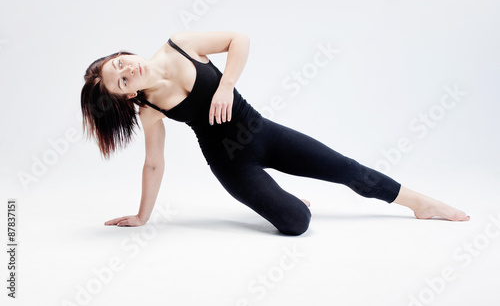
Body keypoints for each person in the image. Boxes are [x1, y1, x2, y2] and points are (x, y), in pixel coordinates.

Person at [80, 31, 470, 235]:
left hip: (263, 132)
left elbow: (239, 38)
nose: (127, 70)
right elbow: (153, 164)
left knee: (349, 170)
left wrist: (226, 84)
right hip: (231, 164)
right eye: (120, 80)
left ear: (123, 53)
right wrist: (142, 216)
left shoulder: (179, 45)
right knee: (296, 222)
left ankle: (421, 203)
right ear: (127, 93)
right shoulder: (150, 109)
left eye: (120, 63)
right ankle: (281, 197)